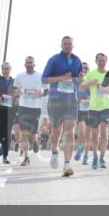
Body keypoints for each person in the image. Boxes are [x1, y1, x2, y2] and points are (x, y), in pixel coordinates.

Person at [42, 36, 83, 177]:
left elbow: (78, 79)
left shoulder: (78, 61)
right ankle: (54, 152)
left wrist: (80, 79)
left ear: (73, 45)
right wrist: (62, 78)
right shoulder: (53, 60)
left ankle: (67, 164)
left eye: (69, 44)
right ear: (61, 45)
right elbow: (44, 79)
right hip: (55, 100)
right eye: (65, 44)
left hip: (71, 101)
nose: (67, 46)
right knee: (56, 132)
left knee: (69, 131)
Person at [79, 52, 109, 169]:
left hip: (106, 107)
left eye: (104, 60)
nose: (102, 62)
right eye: (100, 60)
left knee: (103, 131)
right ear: (96, 61)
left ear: (106, 61)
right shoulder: (91, 74)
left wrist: (102, 88)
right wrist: (90, 83)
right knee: (95, 134)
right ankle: (95, 157)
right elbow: (81, 87)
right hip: (93, 108)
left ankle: (102, 158)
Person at [13, 56, 46, 167]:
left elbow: (47, 89)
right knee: (24, 133)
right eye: (27, 62)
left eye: (31, 62)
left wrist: (42, 94)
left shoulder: (40, 76)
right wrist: (17, 93)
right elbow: (15, 89)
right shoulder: (20, 76)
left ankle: (35, 141)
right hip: (23, 107)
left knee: (32, 133)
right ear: (24, 64)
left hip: (36, 108)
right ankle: (26, 157)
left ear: (34, 64)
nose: (29, 64)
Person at [75, 62, 91, 165]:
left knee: (88, 135)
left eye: (86, 68)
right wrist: (77, 100)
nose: (84, 70)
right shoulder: (75, 82)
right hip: (79, 110)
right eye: (83, 68)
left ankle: (85, 155)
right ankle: (80, 147)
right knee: (82, 132)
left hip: (90, 110)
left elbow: (97, 94)